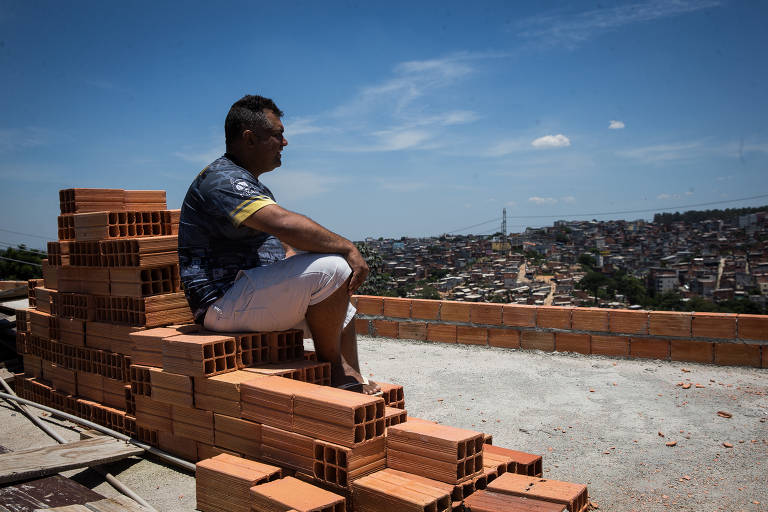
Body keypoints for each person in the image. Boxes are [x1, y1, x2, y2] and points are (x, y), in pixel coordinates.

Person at [178, 94, 379, 394]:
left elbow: (281, 243)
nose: (284, 143)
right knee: (335, 268)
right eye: (277, 135)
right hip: (220, 302)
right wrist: (347, 247)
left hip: (244, 295)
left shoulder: (250, 184)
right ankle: (335, 372)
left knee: (341, 299)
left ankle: (354, 379)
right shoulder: (224, 181)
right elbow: (283, 224)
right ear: (249, 138)